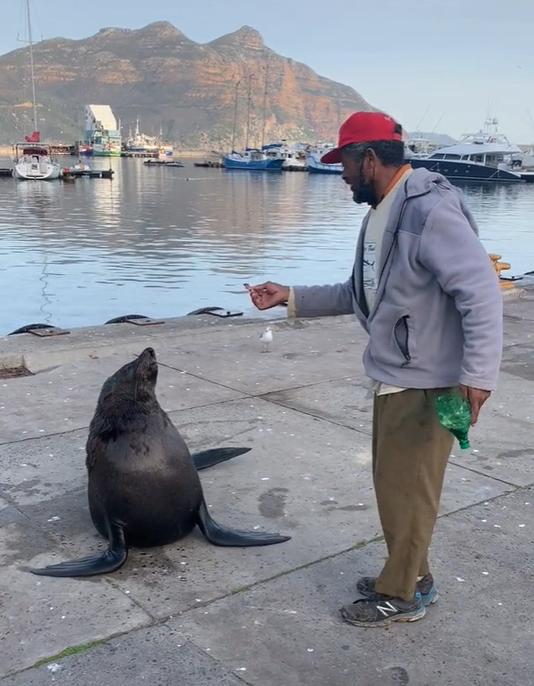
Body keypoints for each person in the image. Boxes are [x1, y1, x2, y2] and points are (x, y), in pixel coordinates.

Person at [247, 111, 503, 628]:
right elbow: (358, 293)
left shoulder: (428, 211)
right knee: (397, 488)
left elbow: (480, 293)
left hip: (429, 383)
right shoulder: (383, 210)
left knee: (408, 491)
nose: (339, 174)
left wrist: (478, 375)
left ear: (368, 158)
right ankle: (412, 576)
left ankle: (401, 595)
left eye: (342, 161)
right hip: (396, 375)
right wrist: (291, 296)